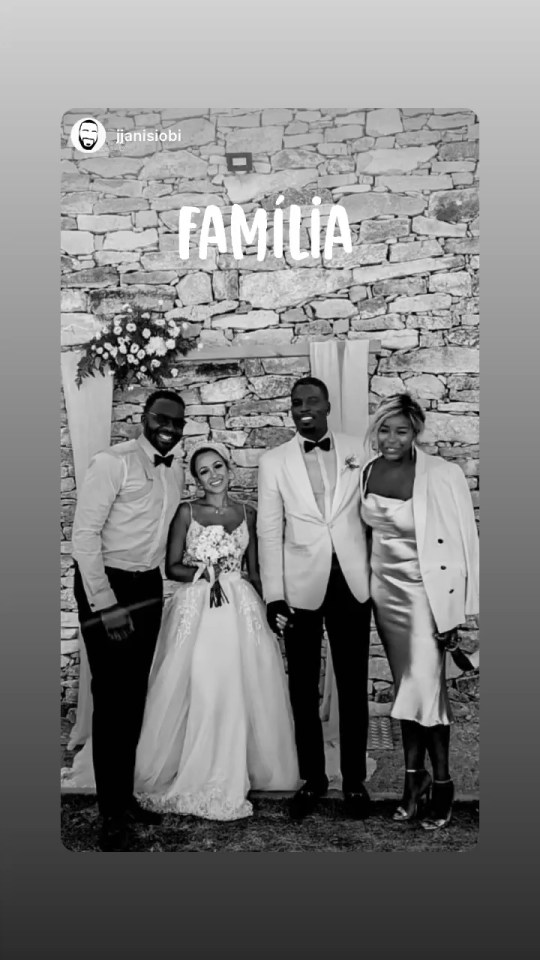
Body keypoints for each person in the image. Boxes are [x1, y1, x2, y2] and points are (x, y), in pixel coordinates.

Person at [65, 441, 299, 826]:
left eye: (218, 466)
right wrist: (203, 574)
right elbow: (171, 566)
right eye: (204, 471)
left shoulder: (248, 513)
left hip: (239, 606)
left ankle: (237, 764)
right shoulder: (185, 511)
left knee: (244, 684)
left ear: (230, 467)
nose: (213, 475)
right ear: (194, 479)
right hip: (199, 606)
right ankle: (187, 768)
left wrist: (271, 605)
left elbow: (255, 569)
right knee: (198, 684)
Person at [70, 389, 186, 850]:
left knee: (134, 695)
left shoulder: (173, 466)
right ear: (144, 417)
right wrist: (105, 602)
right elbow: (84, 537)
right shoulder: (111, 462)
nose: (169, 427)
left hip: (147, 588)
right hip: (109, 587)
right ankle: (110, 814)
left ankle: (124, 796)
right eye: (162, 418)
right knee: (112, 698)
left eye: (177, 422)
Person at [360, 393, 479, 830]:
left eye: (402, 431)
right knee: (406, 690)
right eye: (385, 429)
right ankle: (415, 780)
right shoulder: (368, 470)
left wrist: (458, 611)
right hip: (384, 593)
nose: (391, 439)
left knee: (428, 693)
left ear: (416, 433)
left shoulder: (442, 474)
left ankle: (442, 783)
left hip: (427, 595)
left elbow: (467, 541)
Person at [257, 377, 372, 821]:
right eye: (296, 402)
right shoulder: (273, 462)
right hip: (300, 587)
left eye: (311, 401)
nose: (303, 408)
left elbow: (374, 512)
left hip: (353, 584)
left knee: (351, 684)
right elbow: (269, 530)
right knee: (302, 688)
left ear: (327, 405)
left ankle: (355, 781)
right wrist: (273, 594)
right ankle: (314, 779)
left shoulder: (358, 448)